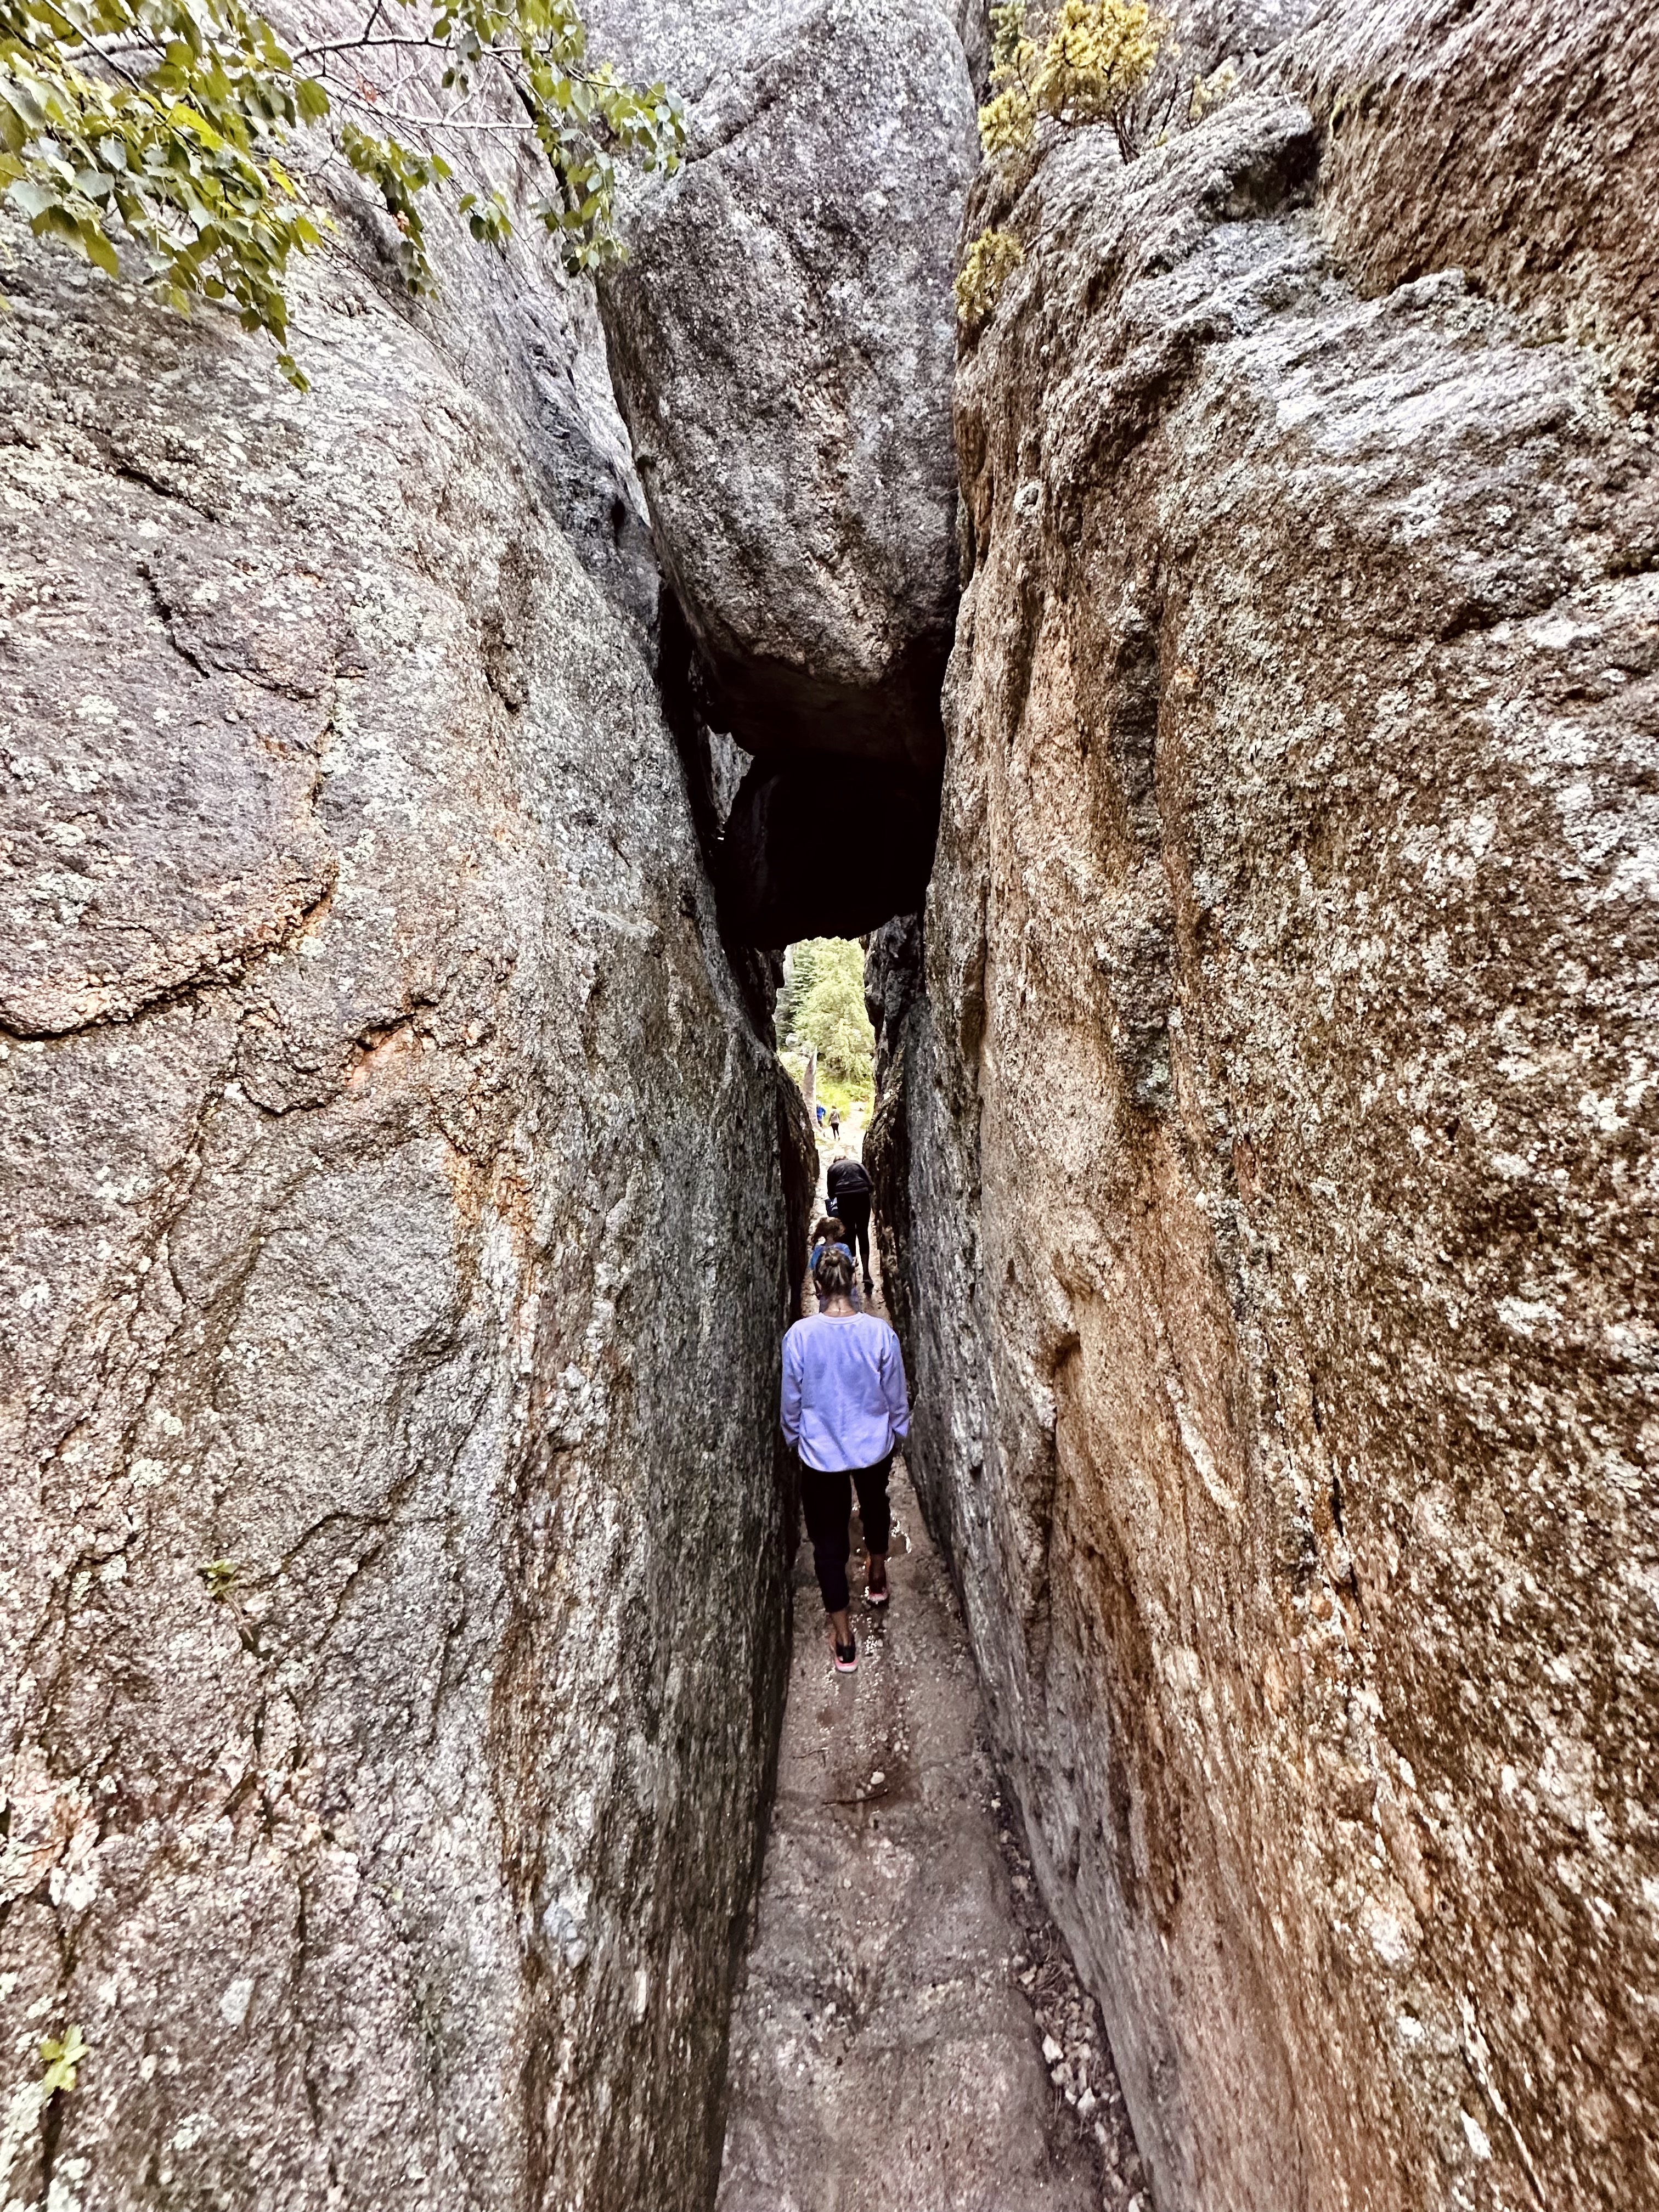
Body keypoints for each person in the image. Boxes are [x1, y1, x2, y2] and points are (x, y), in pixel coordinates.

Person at [781, 1245, 910, 1673]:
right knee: (875, 1507)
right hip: (872, 1446)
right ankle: (877, 1574)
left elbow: (791, 1404)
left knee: (829, 1544)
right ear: (853, 1281)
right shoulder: (879, 1335)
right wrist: (898, 1433)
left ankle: (845, 1639)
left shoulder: (800, 1337)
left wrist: (796, 1440)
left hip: (821, 1456)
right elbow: (896, 1396)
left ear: (817, 1286)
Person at [826, 1150, 874, 1294]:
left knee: (849, 1235)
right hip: (862, 1196)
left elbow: (831, 1194)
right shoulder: (857, 1164)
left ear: (836, 1162)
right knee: (863, 1233)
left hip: (845, 1198)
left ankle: (853, 1273)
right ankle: (867, 1274)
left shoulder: (833, 1169)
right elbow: (871, 1185)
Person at [808, 1216, 862, 1309]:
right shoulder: (843, 1248)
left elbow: (814, 1273)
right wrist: (854, 1264)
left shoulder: (817, 1251)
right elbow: (850, 1271)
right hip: (847, 1294)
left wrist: (818, 1291)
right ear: (833, 1233)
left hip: (826, 1295)